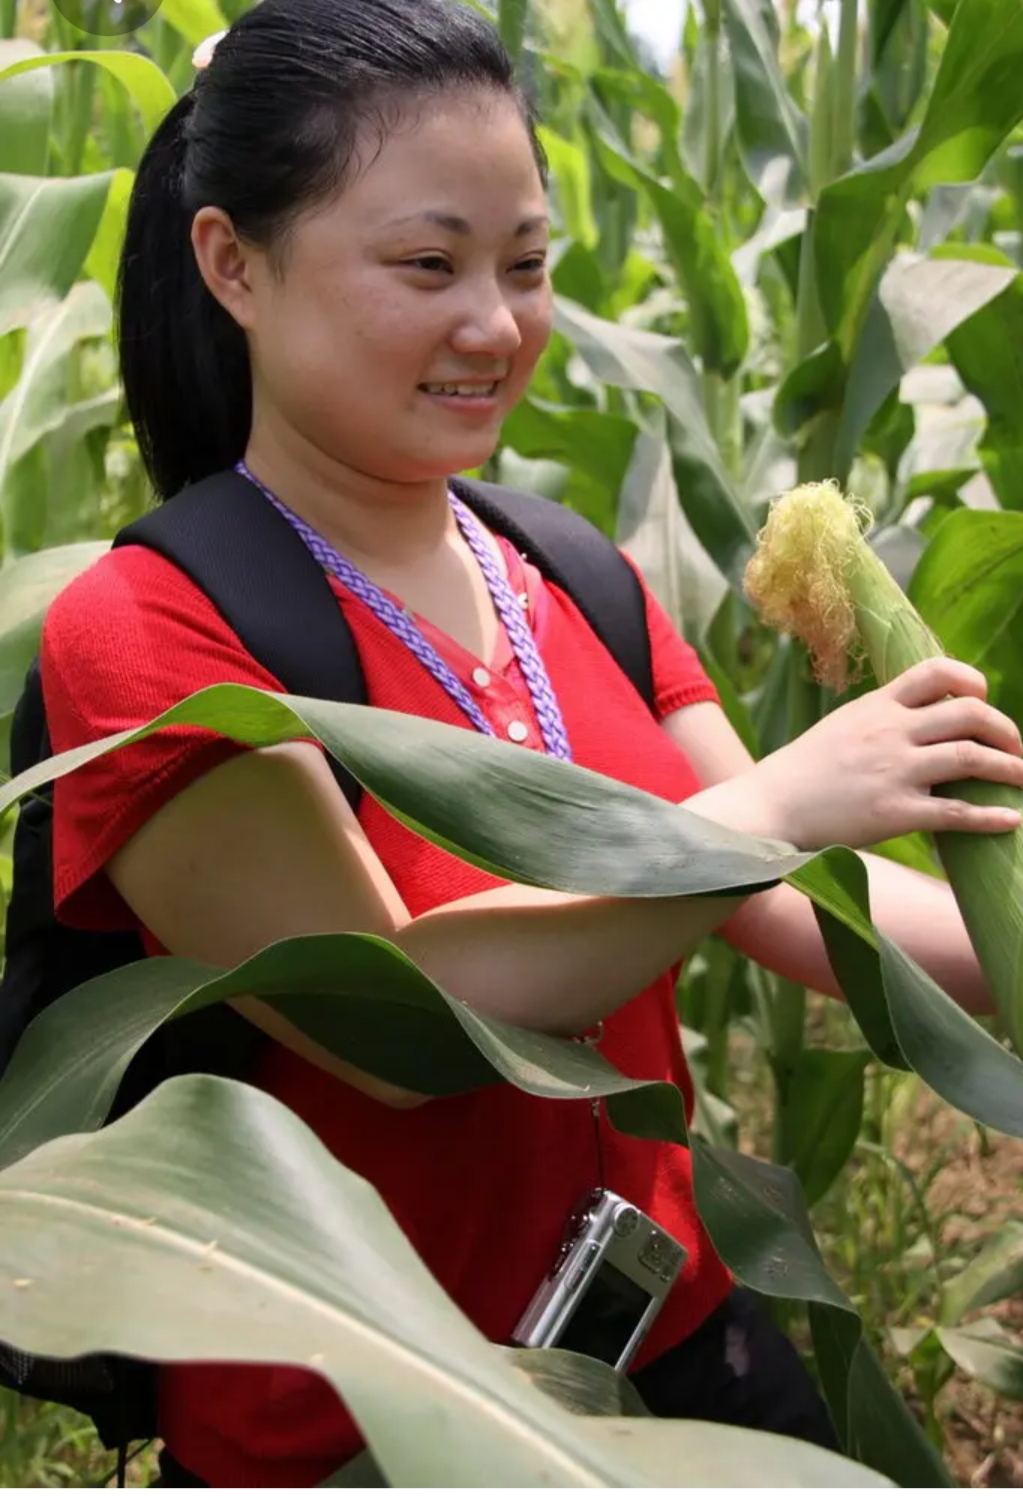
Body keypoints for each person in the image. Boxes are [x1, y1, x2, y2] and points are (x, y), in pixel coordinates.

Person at [38, 0, 1023, 1485]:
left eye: (529, 266)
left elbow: (785, 903)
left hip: (667, 1333)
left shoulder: (583, 572)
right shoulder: (148, 629)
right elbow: (396, 1027)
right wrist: (767, 808)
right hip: (361, 1422)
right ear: (233, 262)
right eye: (427, 266)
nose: (494, 325)